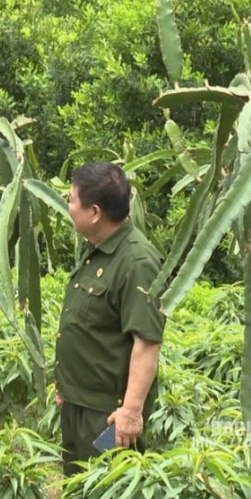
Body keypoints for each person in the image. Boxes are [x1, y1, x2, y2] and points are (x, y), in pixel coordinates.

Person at [54, 162, 165, 475]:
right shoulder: (97, 251)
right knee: (78, 488)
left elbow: (146, 343)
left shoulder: (137, 261)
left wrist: (131, 410)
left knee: (106, 489)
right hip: (79, 407)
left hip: (108, 417)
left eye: (72, 201)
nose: (68, 207)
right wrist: (67, 383)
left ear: (94, 213)